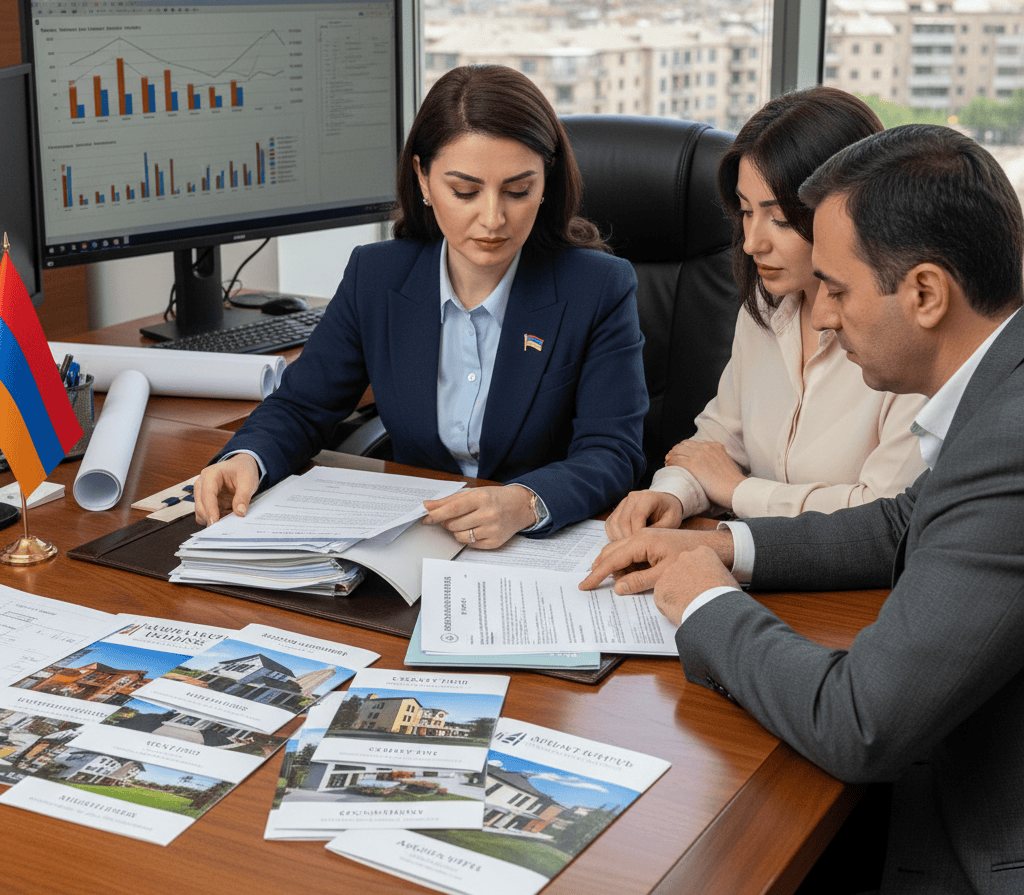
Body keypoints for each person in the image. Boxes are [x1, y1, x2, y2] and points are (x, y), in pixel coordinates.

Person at [582, 123, 1024, 894]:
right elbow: (901, 521)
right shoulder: (1000, 385)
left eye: (841, 292)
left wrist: (706, 605)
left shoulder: (1010, 441)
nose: (821, 317)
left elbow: (862, 724)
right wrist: (727, 549)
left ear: (924, 293)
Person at [194, 64, 647, 549]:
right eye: (465, 191)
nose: (493, 218)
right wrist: (247, 457)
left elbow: (612, 450)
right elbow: (304, 406)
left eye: (518, 191)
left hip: (537, 544)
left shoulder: (597, 287)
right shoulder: (377, 276)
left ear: (546, 184)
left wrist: (525, 501)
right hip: (415, 537)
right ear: (424, 180)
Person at [605, 88, 926, 540]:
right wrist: (671, 495)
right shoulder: (767, 306)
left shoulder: (907, 334)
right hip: (754, 559)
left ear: (845, 209)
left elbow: (885, 513)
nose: (753, 242)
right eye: (745, 211)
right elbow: (717, 441)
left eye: (778, 218)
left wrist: (740, 492)